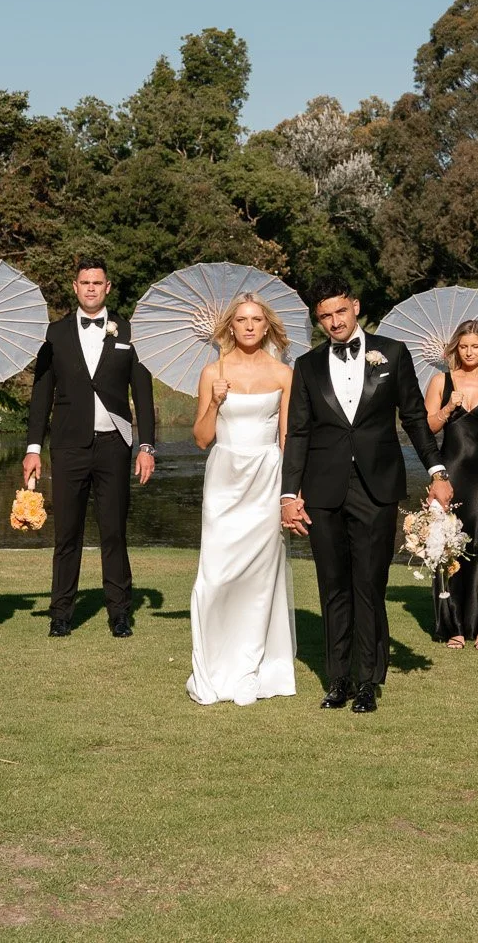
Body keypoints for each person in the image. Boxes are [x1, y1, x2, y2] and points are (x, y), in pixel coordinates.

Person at [281, 277, 450, 715]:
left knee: (369, 586)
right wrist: (287, 494)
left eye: (340, 311)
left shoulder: (392, 353)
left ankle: (369, 682)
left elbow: (414, 417)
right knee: (333, 585)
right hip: (322, 489)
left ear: (355, 307)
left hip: (377, 487)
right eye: (325, 317)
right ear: (317, 321)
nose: (334, 322)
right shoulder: (307, 365)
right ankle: (338, 679)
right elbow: (298, 433)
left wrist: (436, 470)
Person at [23, 258, 158, 638]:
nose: (91, 289)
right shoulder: (54, 333)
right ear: (74, 286)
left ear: (109, 287)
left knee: (114, 532)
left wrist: (146, 445)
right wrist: (33, 448)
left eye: (98, 283)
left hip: (115, 445)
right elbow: (41, 395)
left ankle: (119, 613)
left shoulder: (131, 332)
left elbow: (143, 397)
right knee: (67, 534)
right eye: (85, 282)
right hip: (67, 447)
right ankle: (61, 614)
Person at [185, 293, 298, 706]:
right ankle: (212, 667)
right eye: (241, 320)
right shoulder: (211, 371)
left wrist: (292, 493)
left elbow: (288, 440)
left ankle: (251, 670)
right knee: (214, 577)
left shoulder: (284, 375)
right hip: (224, 481)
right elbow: (201, 439)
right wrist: (214, 400)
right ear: (229, 327)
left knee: (259, 579)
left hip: (267, 479)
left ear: (267, 326)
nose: (249, 326)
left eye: (256, 320)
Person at [423, 320, 478, 651]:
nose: (470, 352)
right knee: (448, 546)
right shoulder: (440, 381)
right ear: (455, 349)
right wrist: (448, 408)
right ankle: (454, 625)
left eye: (475, 346)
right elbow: (426, 428)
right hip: (450, 474)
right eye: (463, 347)